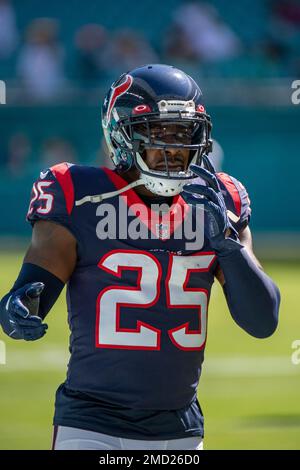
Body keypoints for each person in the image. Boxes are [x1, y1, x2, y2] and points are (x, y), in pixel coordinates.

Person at [0, 64, 280, 450]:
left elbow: (263, 320)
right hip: (90, 424)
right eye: (159, 132)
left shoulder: (220, 201)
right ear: (121, 135)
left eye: (184, 133)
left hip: (181, 428)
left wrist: (227, 242)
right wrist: (18, 305)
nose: (174, 147)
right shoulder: (77, 193)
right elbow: (33, 290)